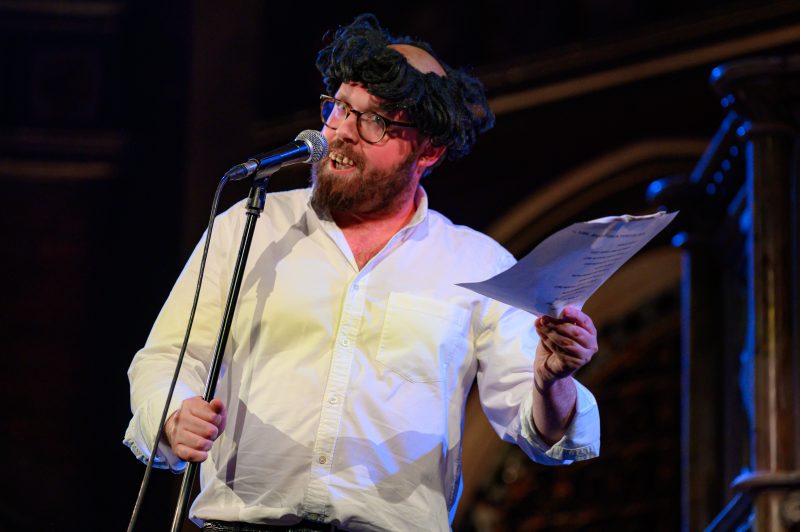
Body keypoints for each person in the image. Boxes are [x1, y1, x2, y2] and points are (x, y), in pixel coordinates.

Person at [125, 13, 600, 532]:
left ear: (429, 150)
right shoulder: (252, 226)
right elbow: (168, 357)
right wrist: (173, 416)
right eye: (340, 108)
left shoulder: (476, 263)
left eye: (375, 120)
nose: (341, 133)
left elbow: (542, 434)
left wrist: (552, 381)